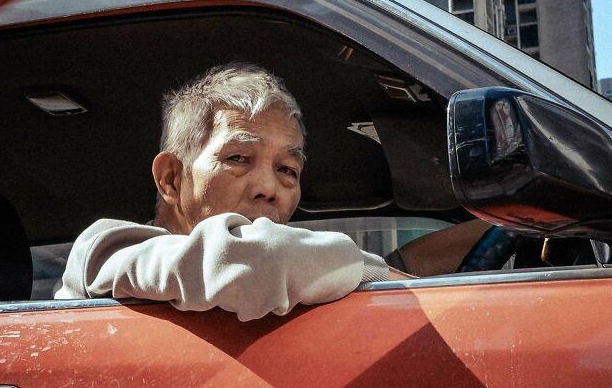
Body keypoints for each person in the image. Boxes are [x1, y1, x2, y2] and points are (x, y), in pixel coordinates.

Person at [56, 63, 489, 320]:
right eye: (238, 159)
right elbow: (254, 258)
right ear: (170, 178)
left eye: (287, 169)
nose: (268, 188)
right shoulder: (105, 249)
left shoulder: (295, 276)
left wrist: (519, 228)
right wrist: (378, 276)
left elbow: (397, 264)